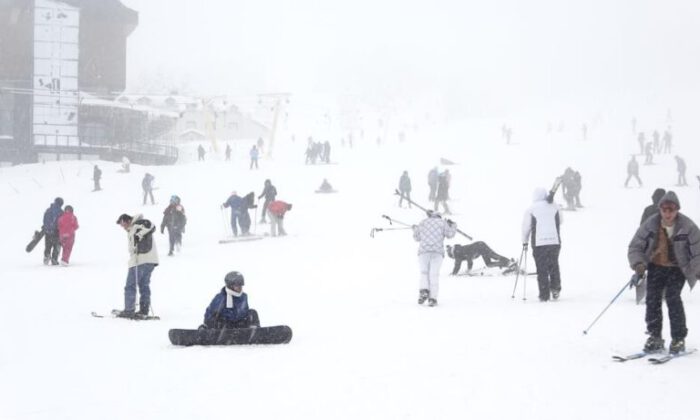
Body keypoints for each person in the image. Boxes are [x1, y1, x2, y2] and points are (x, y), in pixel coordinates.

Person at [628, 191, 700, 354]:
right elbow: (635, 246)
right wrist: (638, 263)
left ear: (677, 210)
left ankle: (678, 338)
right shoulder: (651, 224)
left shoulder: (688, 226)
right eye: (664, 209)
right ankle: (655, 337)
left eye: (671, 209)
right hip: (656, 265)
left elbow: (698, 251)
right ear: (660, 209)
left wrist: (697, 269)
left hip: (678, 268)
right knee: (652, 299)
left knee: (672, 298)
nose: (668, 213)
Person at [522, 187, 563, 301]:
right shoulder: (554, 206)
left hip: (539, 243)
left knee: (541, 268)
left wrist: (524, 241)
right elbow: (561, 221)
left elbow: (526, 227)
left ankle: (544, 294)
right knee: (553, 265)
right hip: (554, 241)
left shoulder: (531, 209)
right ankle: (555, 289)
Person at [116, 213, 159, 317]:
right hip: (149, 261)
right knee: (144, 285)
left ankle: (129, 310)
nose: (123, 227)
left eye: (123, 224)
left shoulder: (137, 225)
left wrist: (138, 235)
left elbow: (150, 225)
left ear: (126, 221)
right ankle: (144, 310)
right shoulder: (135, 228)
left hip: (140, 261)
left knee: (130, 286)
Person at [412, 210, 457, 306]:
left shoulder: (423, 222)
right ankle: (432, 298)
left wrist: (415, 229)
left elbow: (416, 237)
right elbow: (450, 234)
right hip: (437, 252)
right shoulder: (442, 223)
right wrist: (453, 226)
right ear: (439, 216)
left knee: (424, 272)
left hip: (424, 252)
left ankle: (424, 291)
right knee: (434, 274)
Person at [446, 242, 514, 275]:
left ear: (452, 255)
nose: (454, 259)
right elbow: (459, 264)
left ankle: (509, 263)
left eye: (452, 257)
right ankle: (507, 264)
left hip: (480, 246)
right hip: (480, 246)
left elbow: (458, 264)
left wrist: (468, 269)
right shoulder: (459, 250)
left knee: (493, 256)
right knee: (489, 263)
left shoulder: (457, 253)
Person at [42, 197, 64, 265]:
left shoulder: (48, 210)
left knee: (48, 245)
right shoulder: (61, 212)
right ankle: (54, 258)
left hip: (47, 231)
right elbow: (62, 222)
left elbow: (44, 219)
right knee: (56, 245)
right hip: (56, 232)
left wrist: (46, 227)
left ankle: (46, 257)